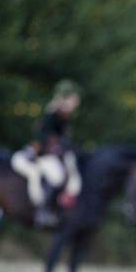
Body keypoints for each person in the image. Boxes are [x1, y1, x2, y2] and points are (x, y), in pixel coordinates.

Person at [11, 79, 82, 227]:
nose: (75, 104)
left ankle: (60, 207)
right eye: (73, 100)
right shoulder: (52, 115)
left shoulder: (64, 118)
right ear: (65, 100)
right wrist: (55, 146)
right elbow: (42, 137)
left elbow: (64, 139)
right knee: (56, 176)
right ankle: (42, 211)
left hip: (55, 154)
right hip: (45, 155)